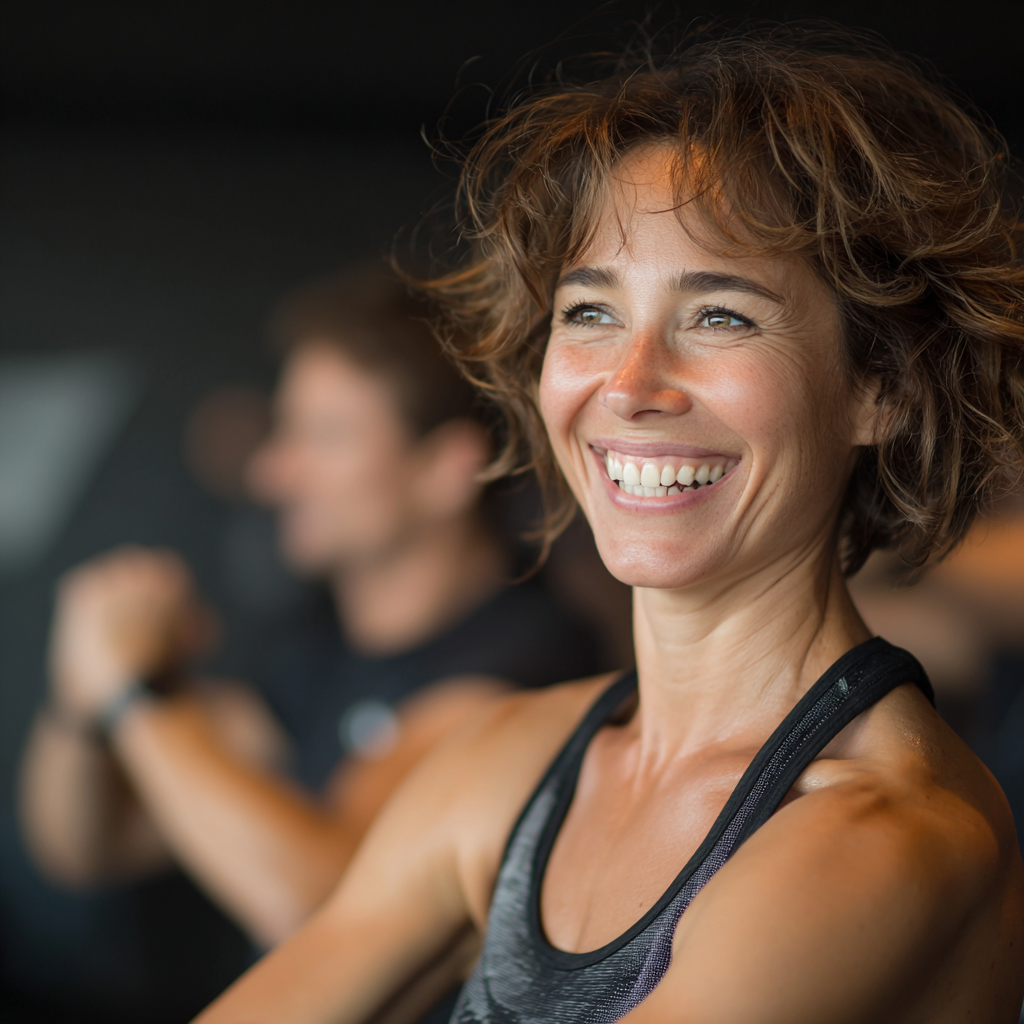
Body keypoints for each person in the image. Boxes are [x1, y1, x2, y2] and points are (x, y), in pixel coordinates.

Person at [193, 26, 1024, 1024]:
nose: (628, 386)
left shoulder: (881, 834)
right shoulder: (512, 761)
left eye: (719, 316)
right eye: (589, 313)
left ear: (877, 388)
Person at [18, 266, 602, 956]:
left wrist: (134, 697)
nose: (275, 472)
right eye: (286, 432)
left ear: (445, 468)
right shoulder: (317, 644)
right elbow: (90, 847)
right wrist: (81, 697)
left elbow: (320, 911)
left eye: (324, 436)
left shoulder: (523, 665)